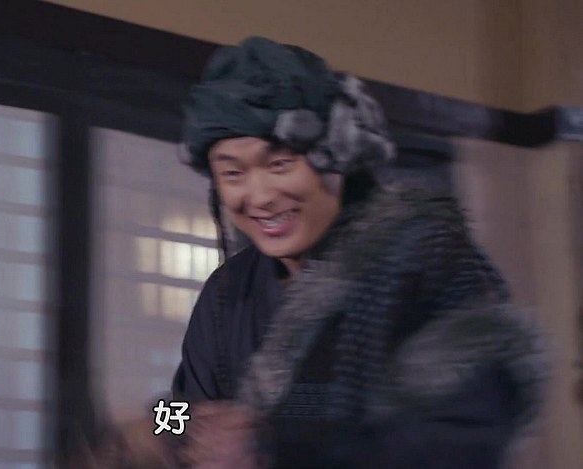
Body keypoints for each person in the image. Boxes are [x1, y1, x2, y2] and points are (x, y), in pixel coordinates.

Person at [87, 36, 547, 469]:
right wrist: (158, 427)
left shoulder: (427, 258)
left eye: (280, 163)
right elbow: (195, 411)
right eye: (233, 173)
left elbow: (466, 431)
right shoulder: (228, 292)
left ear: (339, 153)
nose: (260, 197)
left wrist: (272, 443)